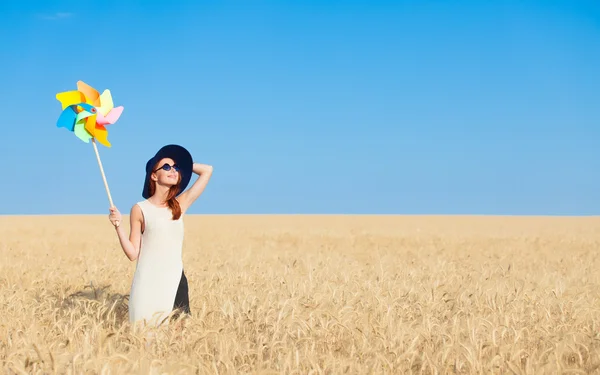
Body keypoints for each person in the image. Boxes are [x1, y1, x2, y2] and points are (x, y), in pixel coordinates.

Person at [107, 144, 213, 327]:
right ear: (153, 176)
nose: (173, 170)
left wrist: (184, 163)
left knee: (179, 335)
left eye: (175, 167)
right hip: (147, 281)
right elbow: (133, 254)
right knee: (145, 337)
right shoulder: (139, 209)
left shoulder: (179, 204)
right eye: (166, 167)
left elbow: (207, 170)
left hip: (175, 279)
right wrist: (118, 226)